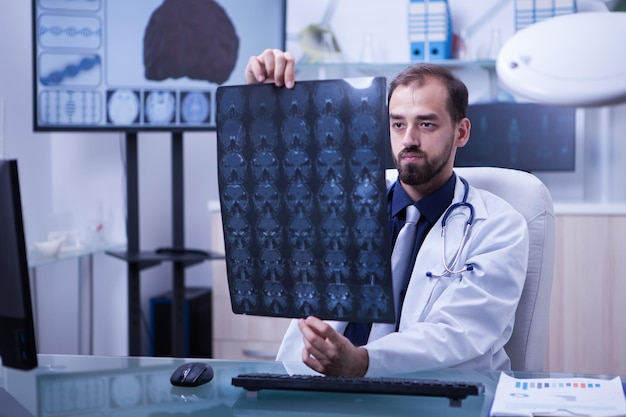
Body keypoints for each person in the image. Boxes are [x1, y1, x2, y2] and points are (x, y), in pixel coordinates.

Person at [245, 49, 529, 378]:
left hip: (432, 398)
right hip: (320, 390)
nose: (408, 139)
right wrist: (262, 101)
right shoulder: (339, 200)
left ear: (461, 132)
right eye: (397, 124)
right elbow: (269, 192)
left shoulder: (498, 226)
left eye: (426, 123)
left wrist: (363, 362)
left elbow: (459, 333)